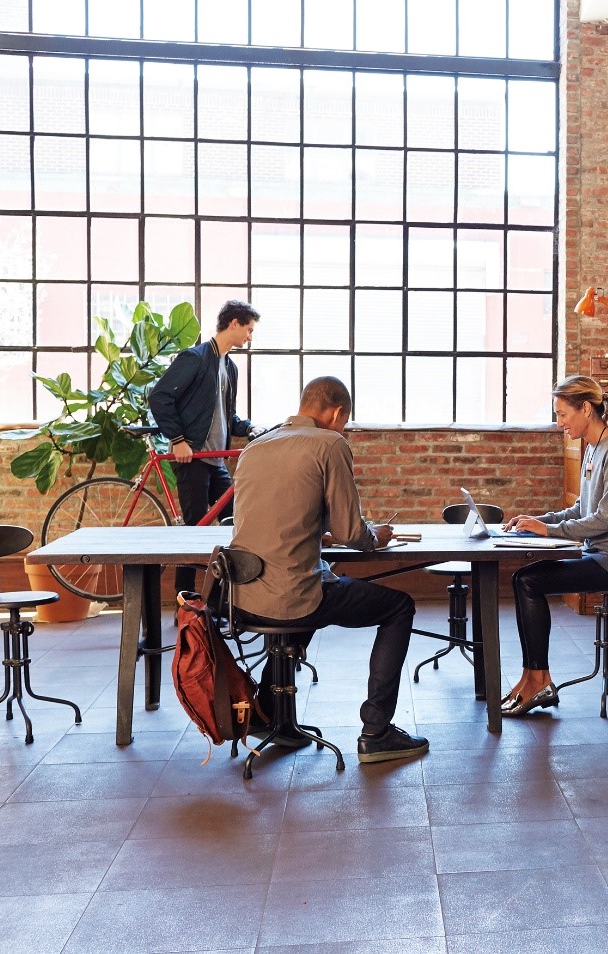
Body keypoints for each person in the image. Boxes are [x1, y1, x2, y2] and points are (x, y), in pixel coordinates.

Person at [230, 376, 425, 764]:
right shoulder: (330, 443)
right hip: (293, 596)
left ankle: (270, 715)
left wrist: (317, 532)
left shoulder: (255, 446)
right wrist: (377, 534)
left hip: (242, 597)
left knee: (301, 587)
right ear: (336, 413)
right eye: (345, 421)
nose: (344, 429)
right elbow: (354, 532)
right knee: (398, 606)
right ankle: (377, 732)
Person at [499, 375, 608, 717]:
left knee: (528, 582)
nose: (560, 422)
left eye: (563, 414)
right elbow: (582, 510)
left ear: (585, 408)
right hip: (600, 554)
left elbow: (605, 520)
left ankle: (539, 680)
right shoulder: (595, 448)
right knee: (523, 579)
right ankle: (531, 678)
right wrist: (536, 520)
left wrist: (549, 530)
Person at [149, 300, 259, 597]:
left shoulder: (229, 367)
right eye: (248, 329)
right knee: (194, 530)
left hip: (214, 460)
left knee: (237, 517)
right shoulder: (195, 358)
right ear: (234, 323)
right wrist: (177, 439)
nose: (250, 336)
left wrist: (248, 428)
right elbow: (159, 397)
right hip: (192, 457)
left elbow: (226, 416)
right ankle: (186, 598)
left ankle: (219, 600)